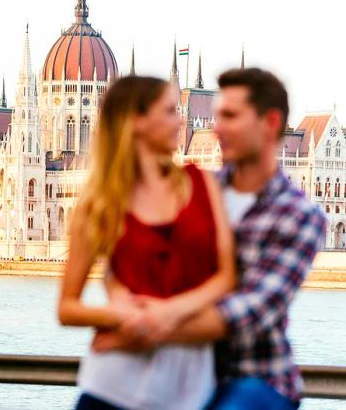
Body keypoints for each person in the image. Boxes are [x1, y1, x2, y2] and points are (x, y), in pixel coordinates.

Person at [92, 68, 327, 409]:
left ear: (271, 123)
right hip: (180, 371)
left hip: (254, 378)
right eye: (217, 116)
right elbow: (133, 260)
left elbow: (248, 311)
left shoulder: (300, 216)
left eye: (230, 116)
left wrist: (140, 326)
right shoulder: (193, 189)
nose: (216, 128)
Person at [58, 76, 236, 410]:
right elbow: (67, 308)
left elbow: (227, 277)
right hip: (111, 387)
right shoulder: (99, 204)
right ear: (137, 121)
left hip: (187, 391)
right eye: (170, 111)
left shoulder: (201, 184)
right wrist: (117, 316)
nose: (181, 120)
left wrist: (162, 315)